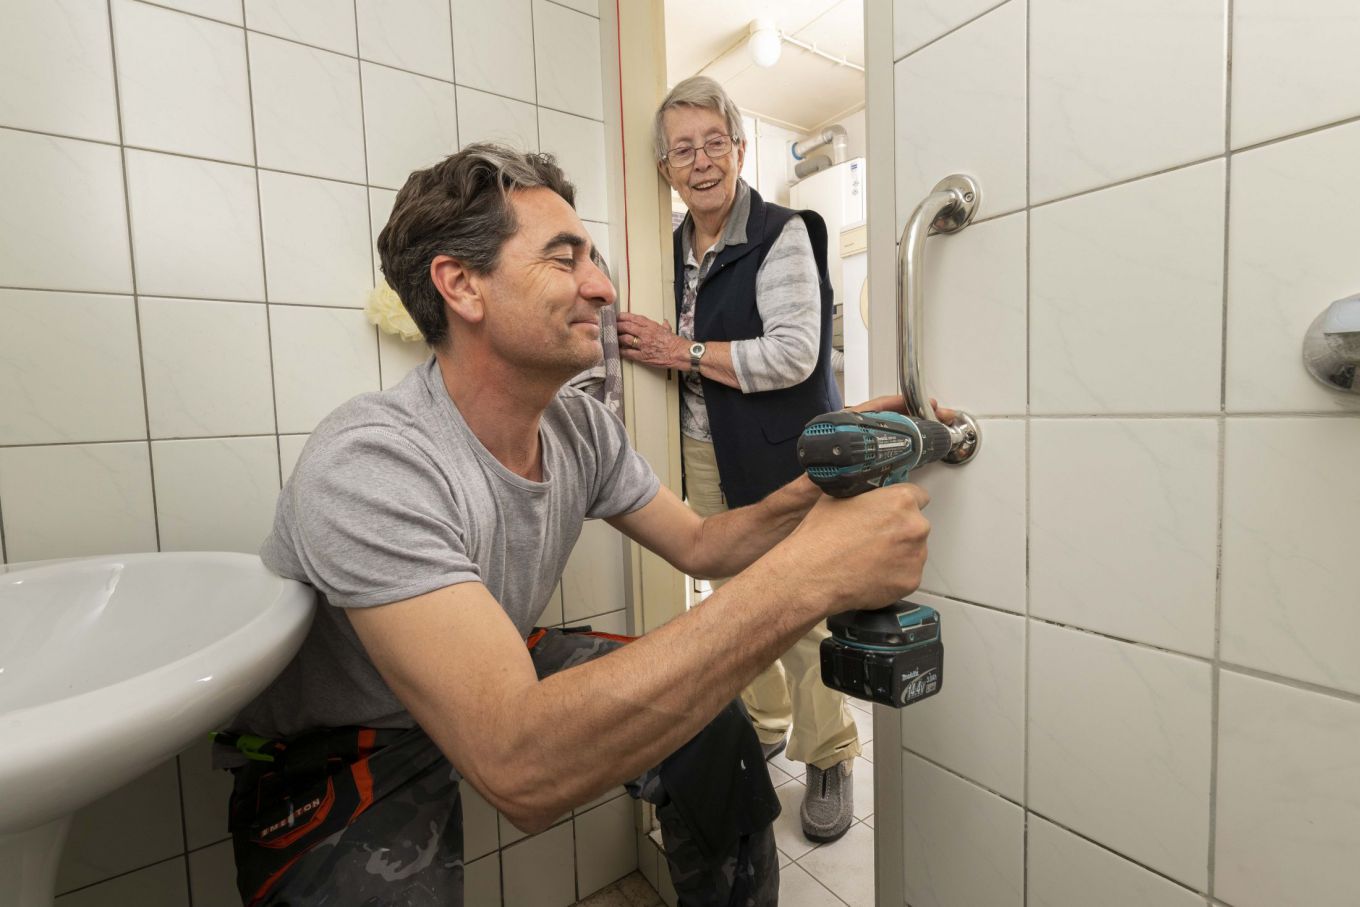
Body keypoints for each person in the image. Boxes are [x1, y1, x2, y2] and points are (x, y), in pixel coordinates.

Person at [222, 143, 931, 906]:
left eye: (593, 256)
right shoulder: (370, 464)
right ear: (461, 285)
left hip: (496, 661)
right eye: (566, 259)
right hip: (339, 737)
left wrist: (814, 486)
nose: (602, 287)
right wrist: (809, 577)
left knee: (711, 728)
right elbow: (519, 765)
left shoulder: (580, 430)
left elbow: (700, 543)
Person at [617, 76, 861, 844]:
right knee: (729, 598)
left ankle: (831, 751)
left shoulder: (784, 231)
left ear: (739, 149)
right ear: (665, 171)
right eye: (682, 150)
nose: (700, 162)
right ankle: (767, 717)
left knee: (796, 607)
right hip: (701, 446)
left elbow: (795, 352)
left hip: (777, 448)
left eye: (713, 143)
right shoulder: (670, 249)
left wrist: (680, 349)